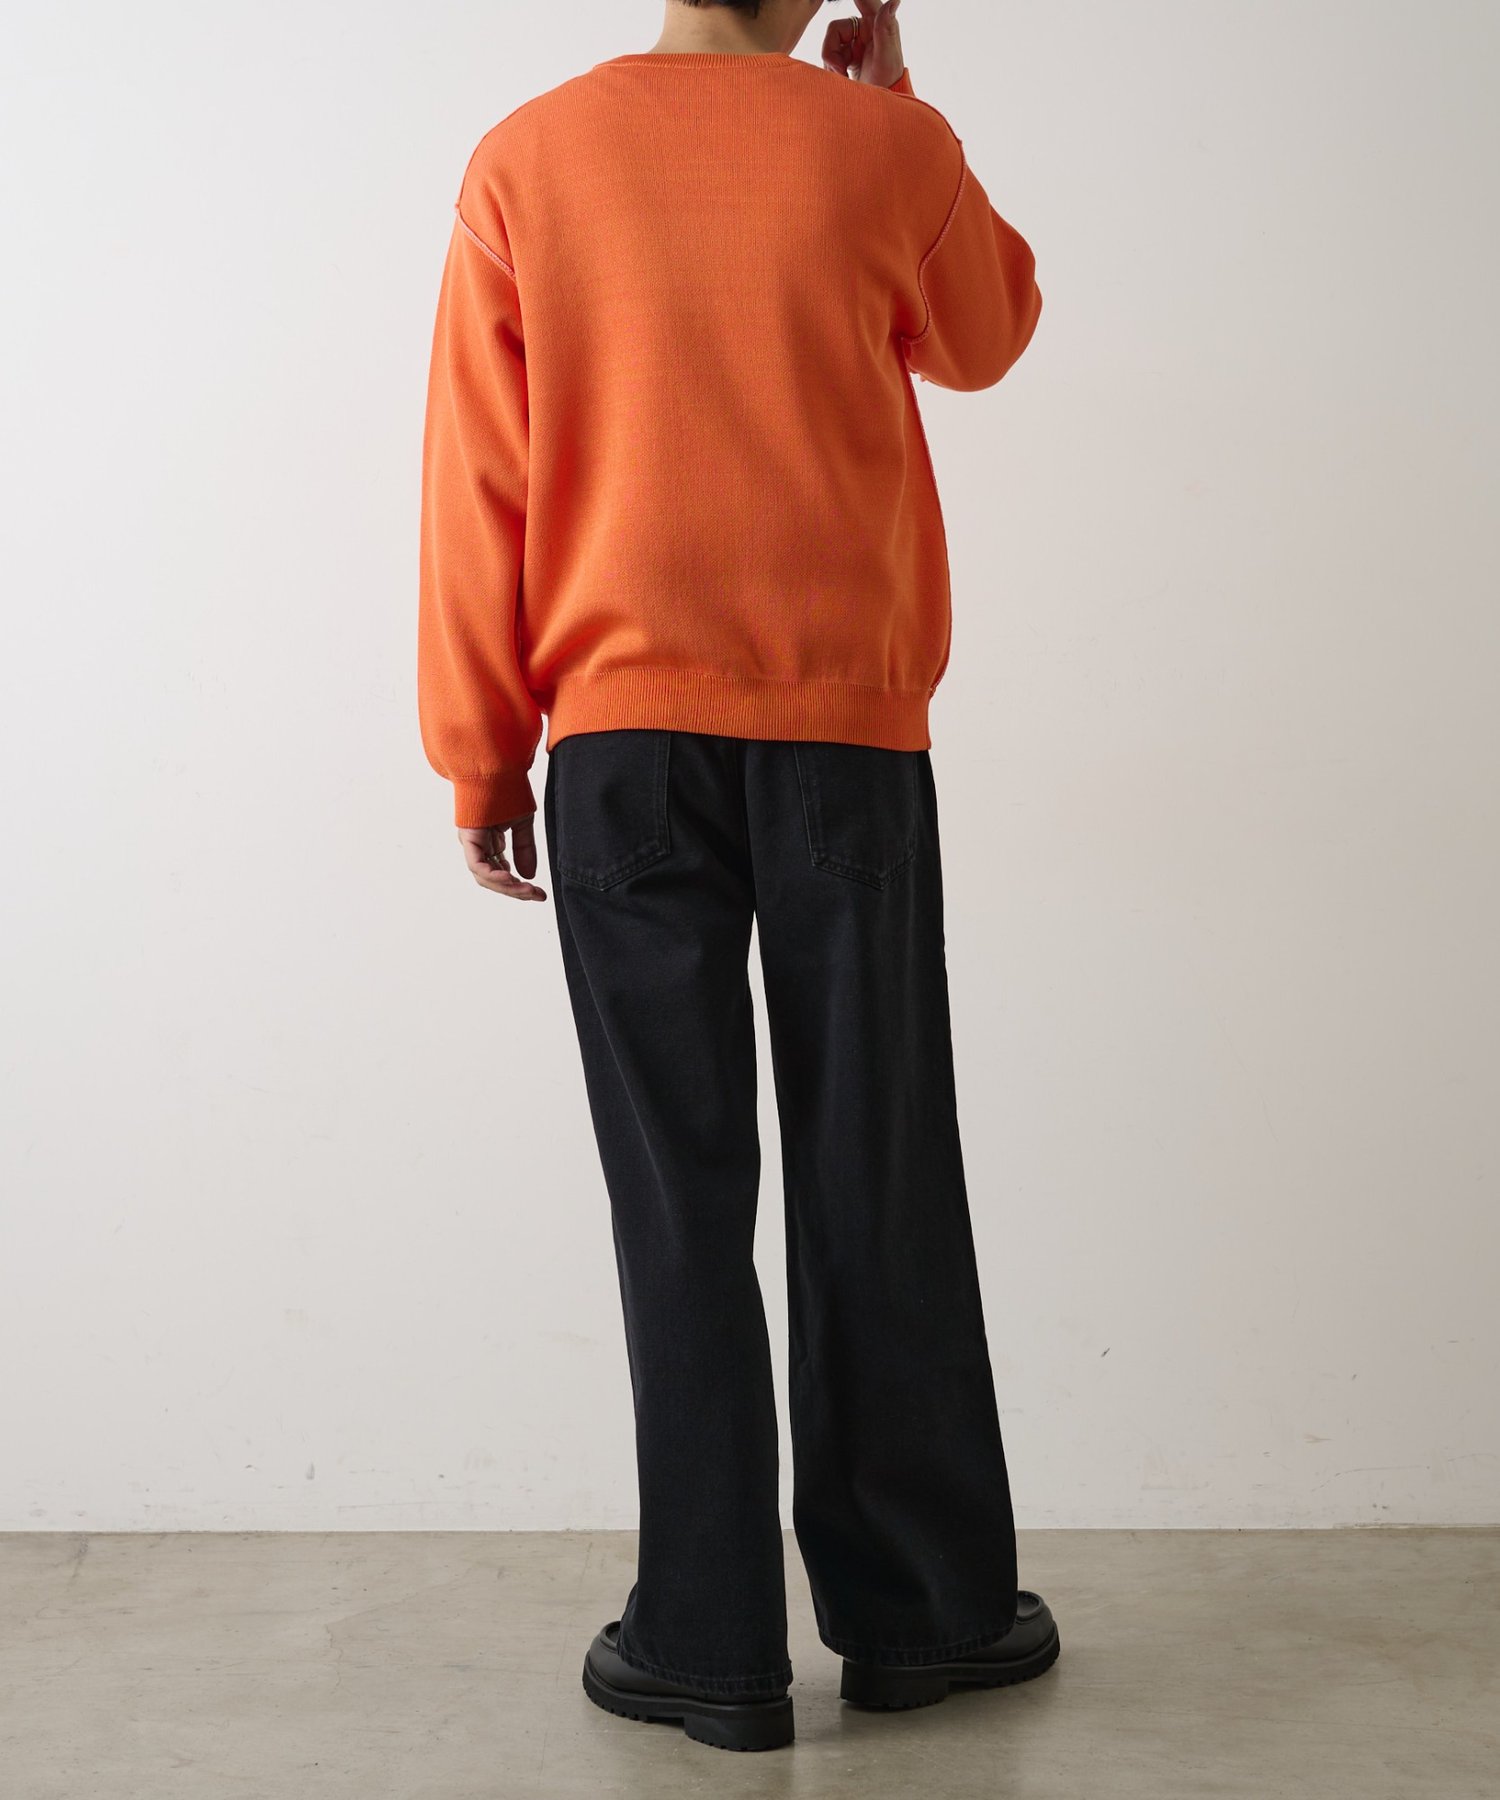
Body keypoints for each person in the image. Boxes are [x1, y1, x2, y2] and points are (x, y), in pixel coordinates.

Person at [417, 0, 1056, 1755]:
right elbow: (991, 334)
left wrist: (480, 752)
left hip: (620, 745)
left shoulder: (527, 160)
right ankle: (923, 1614)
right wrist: (898, 101)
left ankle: (706, 1643)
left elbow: (478, 477)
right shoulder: (886, 149)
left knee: (676, 1194)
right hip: (846, 737)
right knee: (877, 1162)